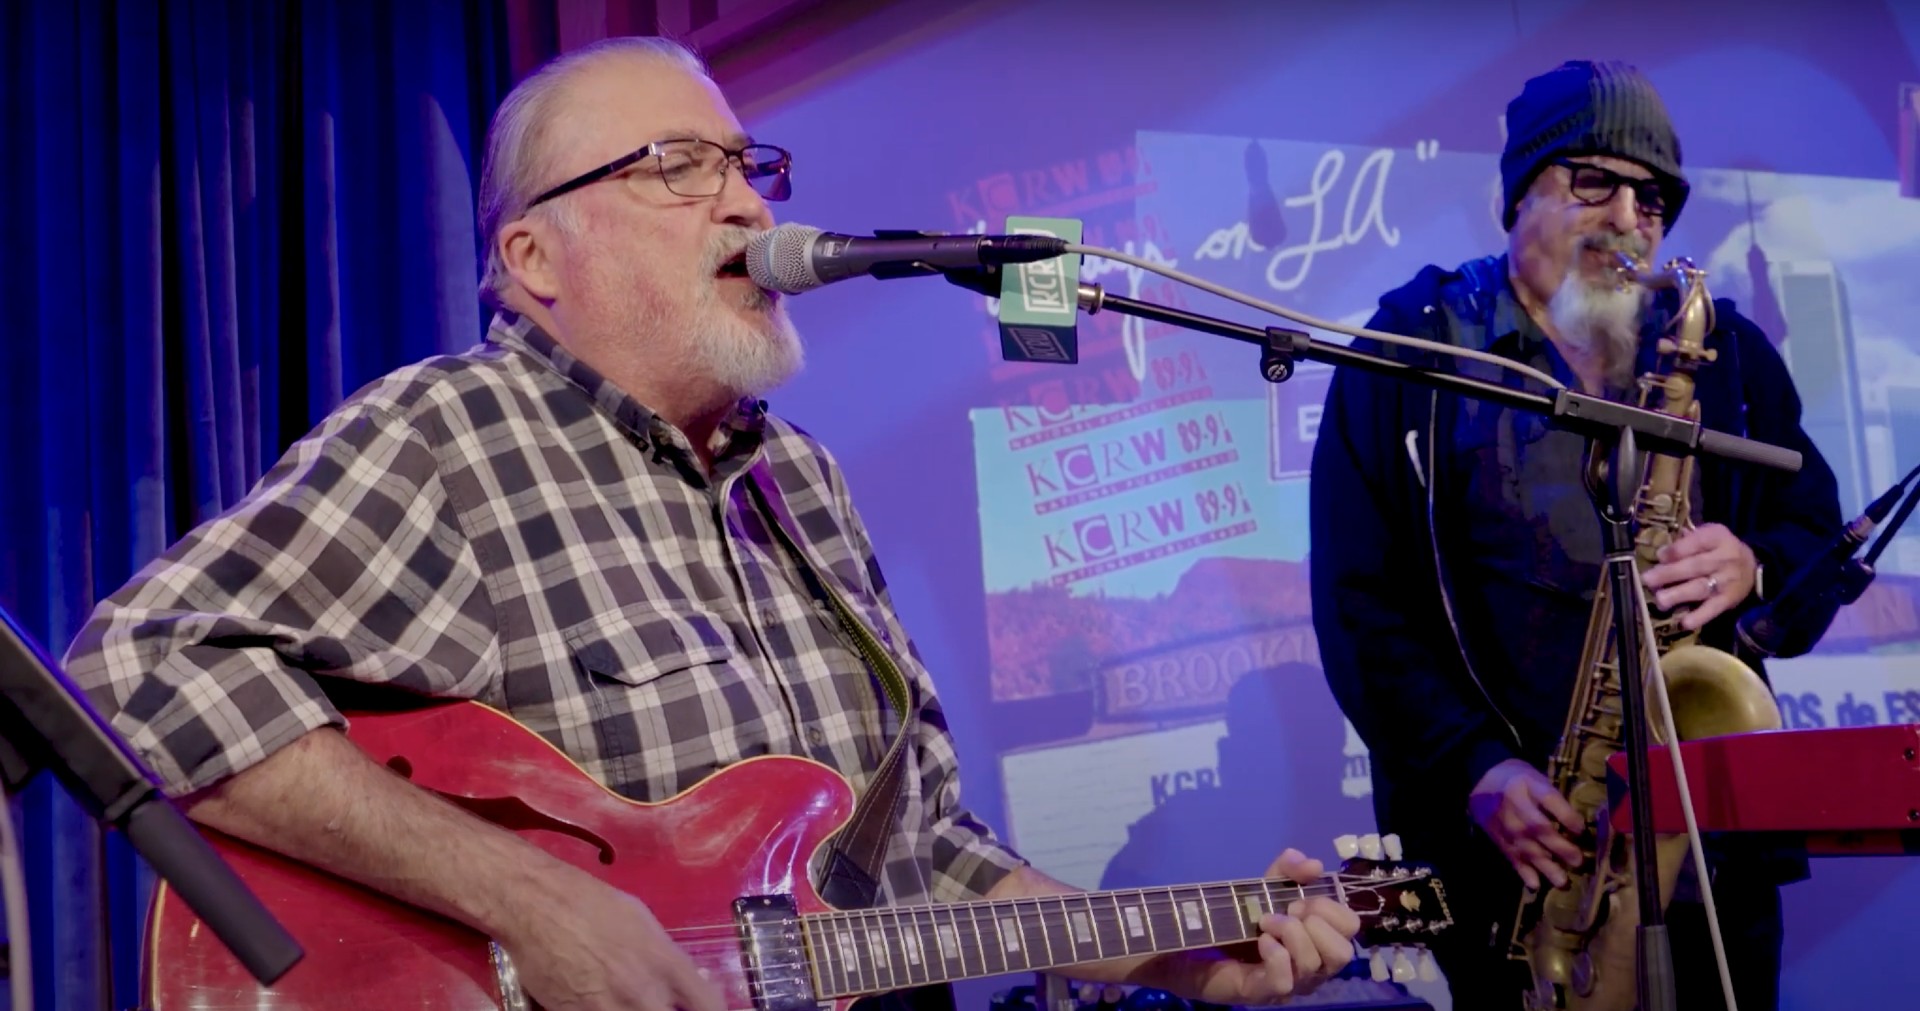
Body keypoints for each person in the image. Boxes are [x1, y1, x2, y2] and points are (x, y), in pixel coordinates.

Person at [63, 35, 1360, 1011]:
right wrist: (526, 893)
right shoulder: (458, 432)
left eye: (747, 166)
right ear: (534, 261)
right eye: (679, 169)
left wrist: (1166, 942)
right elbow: (136, 664)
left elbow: (916, 857)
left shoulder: (803, 484)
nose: (748, 206)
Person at [1308, 59, 1842, 1011]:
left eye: (1654, 197)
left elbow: (1815, 532)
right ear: (1520, 194)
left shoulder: (1726, 354)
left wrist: (1756, 564)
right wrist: (1473, 765)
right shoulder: (1411, 351)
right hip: (1507, 859)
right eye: (1593, 178)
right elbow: (1358, 604)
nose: (1628, 214)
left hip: (1707, 860)